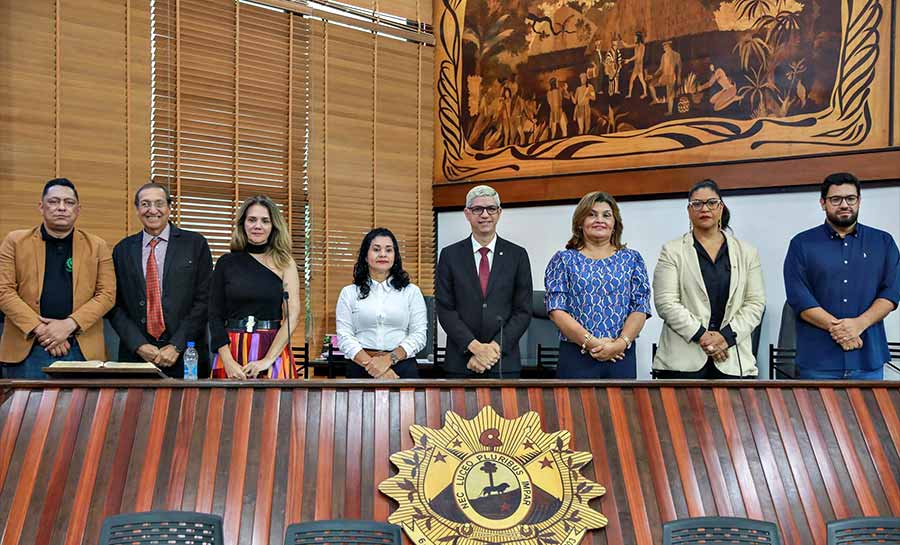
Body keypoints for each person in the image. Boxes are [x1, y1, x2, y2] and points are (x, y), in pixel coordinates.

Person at [784, 173, 899, 379]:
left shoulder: (883, 242)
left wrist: (859, 324)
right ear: (823, 203)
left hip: (867, 359)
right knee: (815, 413)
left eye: (850, 198)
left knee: (869, 413)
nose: (844, 205)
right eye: (836, 199)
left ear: (859, 201)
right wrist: (839, 329)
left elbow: (892, 292)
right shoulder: (801, 244)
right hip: (817, 361)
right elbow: (798, 296)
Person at [0, 178, 116, 378]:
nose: (61, 207)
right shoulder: (15, 241)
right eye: (54, 202)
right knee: (24, 410)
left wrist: (67, 325)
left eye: (68, 202)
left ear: (77, 210)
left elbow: (107, 294)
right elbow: (4, 290)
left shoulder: (97, 245)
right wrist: (44, 331)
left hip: (82, 350)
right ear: (41, 207)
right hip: (27, 352)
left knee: (84, 410)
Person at [653, 180, 765, 378]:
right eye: (697, 204)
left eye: (711, 203)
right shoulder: (672, 251)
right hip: (682, 363)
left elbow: (755, 304)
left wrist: (725, 338)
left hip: (733, 359)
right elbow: (666, 303)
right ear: (689, 210)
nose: (704, 208)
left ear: (721, 208)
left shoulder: (747, 252)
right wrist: (703, 337)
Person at [108, 182, 213, 378]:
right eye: (145, 204)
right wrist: (138, 345)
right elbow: (113, 304)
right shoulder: (122, 250)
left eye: (159, 203)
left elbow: (205, 300)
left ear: (169, 207)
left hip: (186, 356)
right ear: (137, 209)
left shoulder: (195, 244)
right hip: (137, 357)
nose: (152, 210)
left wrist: (177, 345)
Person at [544, 191, 651, 378]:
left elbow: (640, 306)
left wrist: (619, 344)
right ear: (579, 222)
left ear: (615, 224)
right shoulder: (563, 259)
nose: (599, 220)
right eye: (591, 214)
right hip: (576, 355)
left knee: (621, 408)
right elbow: (556, 310)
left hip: (620, 355)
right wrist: (592, 343)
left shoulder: (632, 259)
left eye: (606, 215)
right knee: (574, 408)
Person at [436, 185, 532, 378]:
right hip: (460, 362)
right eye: (478, 209)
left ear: (499, 212)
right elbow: (445, 309)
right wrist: (475, 348)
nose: (485, 215)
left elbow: (523, 310)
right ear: (467, 213)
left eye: (491, 208)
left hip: (503, 363)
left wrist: (493, 350)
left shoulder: (517, 255)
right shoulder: (449, 255)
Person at [209, 195, 300, 379]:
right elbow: (214, 315)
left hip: (272, 348)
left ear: (273, 226)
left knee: (276, 407)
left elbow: (294, 314)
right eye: (252, 220)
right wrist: (227, 361)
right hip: (231, 350)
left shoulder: (285, 262)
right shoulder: (226, 263)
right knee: (228, 407)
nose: (257, 226)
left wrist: (267, 360)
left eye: (265, 221)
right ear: (243, 224)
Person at [335, 228, 427, 379]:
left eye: (389, 250)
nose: (383, 254)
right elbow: (345, 337)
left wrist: (387, 360)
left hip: (402, 367)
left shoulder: (411, 292)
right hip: (360, 367)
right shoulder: (349, 293)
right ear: (365, 256)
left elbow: (419, 335)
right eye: (376, 249)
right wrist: (372, 365)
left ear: (395, 256)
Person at [652, 40, 682, 115]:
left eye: (665, 46)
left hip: (671, 76)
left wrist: (678, 77)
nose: (664, 48)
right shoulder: (663, 56)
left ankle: (670, 111)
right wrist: (653, 75)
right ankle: (655, 99)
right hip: (664, 76)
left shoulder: (676, 55)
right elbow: (661, 68)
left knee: (670, 94)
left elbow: (680, 67)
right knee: (651, 85)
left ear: (669, 46)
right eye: (663, 46)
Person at [623, 31, 647, 99]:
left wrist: (628, 60)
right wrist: (622, 42)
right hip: (637, 65)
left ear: (638, 38)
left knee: (640, 80)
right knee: (634, 80)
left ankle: (644, 93)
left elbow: (637, 56)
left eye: (635, 37)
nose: (634, 38)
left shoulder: (641, 46)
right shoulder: (637, 45)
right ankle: (630, 94)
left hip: (639, 66)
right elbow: (627, 46)